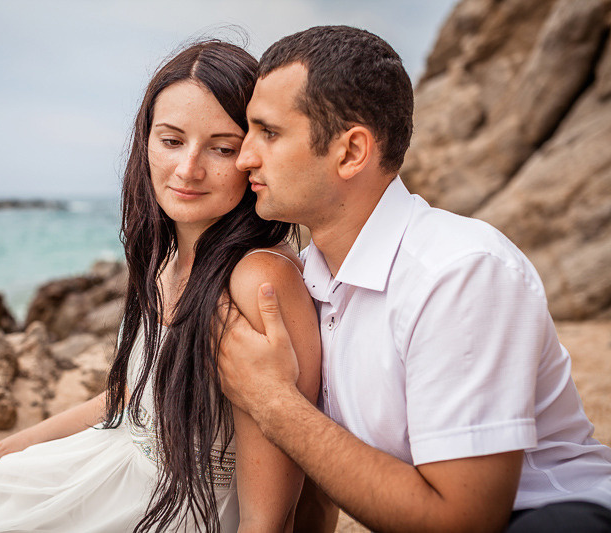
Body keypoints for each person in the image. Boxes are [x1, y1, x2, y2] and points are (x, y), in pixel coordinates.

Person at [0, 40, 321, 533]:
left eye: (222, 148)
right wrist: (25, 442)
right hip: (112, 459)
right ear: (144, 142)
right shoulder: (169, 253)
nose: (188, 169)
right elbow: (133, 399)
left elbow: (268, 516)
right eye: (171, 141)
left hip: (175, 508)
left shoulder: (259, 280)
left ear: (253, 154)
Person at [217, 25, 611, 533]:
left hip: (550, 520)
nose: (245, 155)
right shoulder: (307, 280)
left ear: (351, 152)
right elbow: (325, 475)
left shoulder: (459, 272)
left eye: (268, 132)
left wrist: (272, 402)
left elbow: (463, 521)